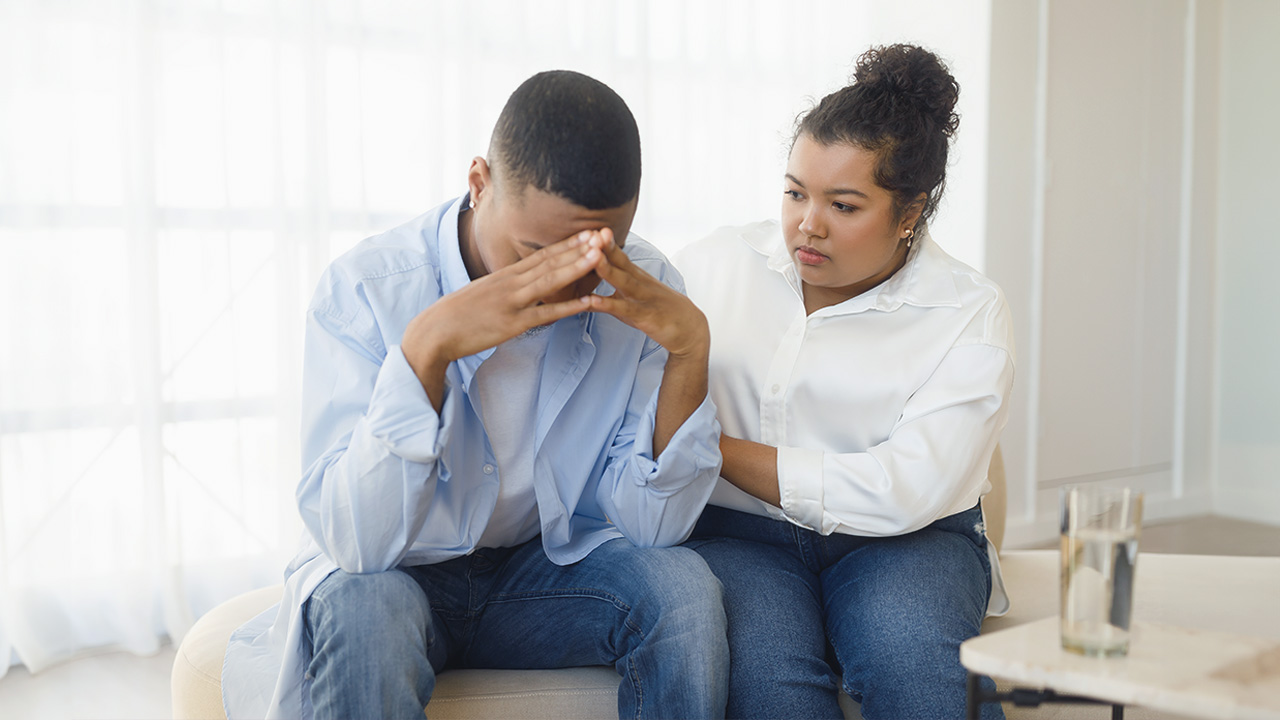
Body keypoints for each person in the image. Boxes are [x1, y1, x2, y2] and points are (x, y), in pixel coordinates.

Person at [222, 70, 729, 720]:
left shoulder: (644, 289)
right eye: (534, 251)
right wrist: (427, 351)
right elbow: (359, 546)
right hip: (398, 573)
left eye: (599, 253)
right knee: (364, 608)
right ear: (479, 183)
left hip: (542, 570)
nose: (566, 280)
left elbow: (653, 528)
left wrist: (689, 355)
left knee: (683, 593)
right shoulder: (368, 290)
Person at [675, 45, 1013, 720]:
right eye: (795, 192)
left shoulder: (968, 310)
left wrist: (711, 449)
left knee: (913, 660)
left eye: (845, 205)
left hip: (910, 540)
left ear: (910, 211)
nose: (809, 224)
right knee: (769, 688)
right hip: (740, 535)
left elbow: (905, 489)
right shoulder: (714, 266)